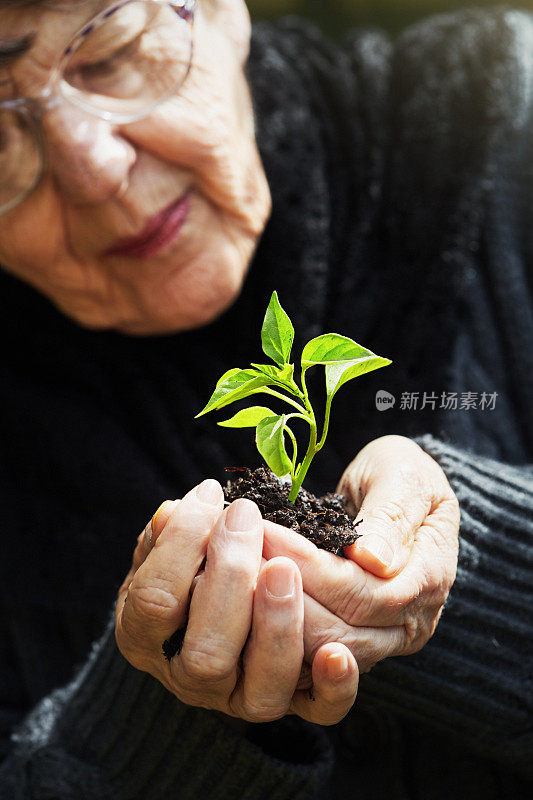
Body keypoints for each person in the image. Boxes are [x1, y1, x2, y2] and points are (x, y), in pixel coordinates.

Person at [0, 0, 531, 798]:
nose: (95, 167)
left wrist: (469, 570)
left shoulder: (504, 130)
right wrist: (154, 704)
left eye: (109, 55)